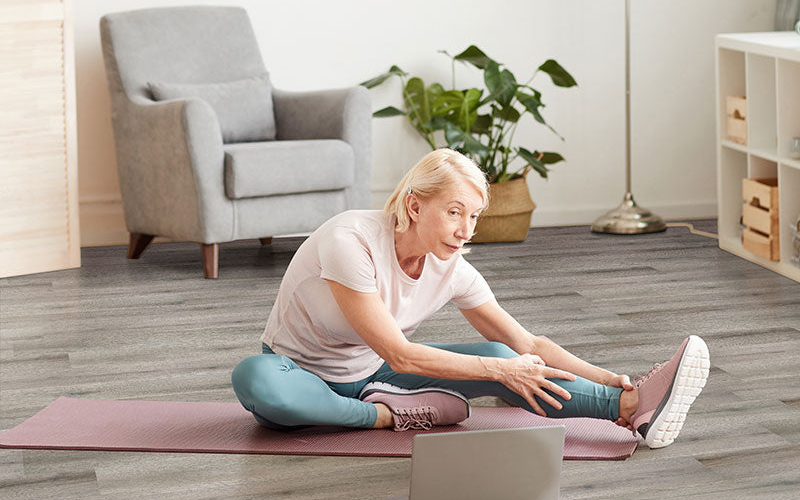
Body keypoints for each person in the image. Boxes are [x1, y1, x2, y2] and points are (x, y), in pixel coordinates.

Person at [231, 149, 709, 448]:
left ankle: (630, 409)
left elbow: (528, 344)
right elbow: (397, 350)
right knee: (255, 380)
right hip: (300, 374)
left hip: (374, 375)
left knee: (504, 354)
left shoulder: (453, 268)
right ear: (415, 206)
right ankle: (383, 416)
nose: (466, 231)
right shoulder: (349, 242)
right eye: (454, 212)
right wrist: (499, 370)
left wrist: (611, 379)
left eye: (474, 216)